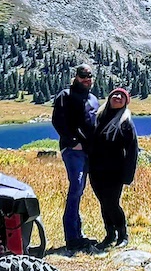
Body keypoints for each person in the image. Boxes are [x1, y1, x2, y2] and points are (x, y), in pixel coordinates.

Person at [50, 65, 99, 252]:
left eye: (89, 76)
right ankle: (72, 238)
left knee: (80, 190)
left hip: (89, 151)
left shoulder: (93, 98)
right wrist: (71, 142)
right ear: (76, 77)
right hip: (73, 150)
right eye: (83, 76)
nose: (87, 79)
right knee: (76, 186)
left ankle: (78, 235)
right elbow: (58, 121)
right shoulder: (66, 95)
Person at [87, 86, 138, 248]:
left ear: (125, 103)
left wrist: (128, 175)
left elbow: (132, 150)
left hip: (115, 171)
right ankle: (109, 235)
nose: (117, 97)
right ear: (109, 98)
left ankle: (123, 235)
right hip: (96, 170)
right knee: (103, 202)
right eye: (115, 94)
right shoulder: (99, 117)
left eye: (122, 96)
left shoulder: (125, 122)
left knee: (112, 203)